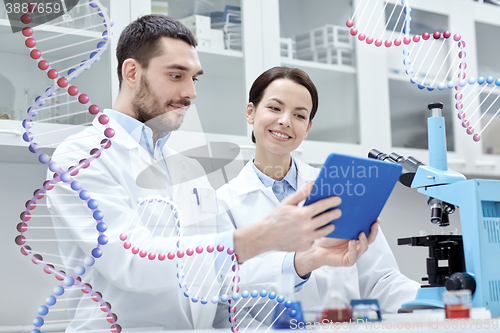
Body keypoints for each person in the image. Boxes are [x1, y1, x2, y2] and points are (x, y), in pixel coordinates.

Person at [46, 15, 377, 330]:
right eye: (176, 76)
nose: (191, 93)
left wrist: (303, 260)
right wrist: (260, 237)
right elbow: (130, 264)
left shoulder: (188, 167)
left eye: (194, 78)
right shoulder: (82, 156)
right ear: (132, 73)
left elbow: (225, 279)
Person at [216, 67, 421, 325]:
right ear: (251, 112)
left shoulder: (342, 186)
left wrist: (431, 301)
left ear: (308, 126)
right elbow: (224, 298)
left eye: (299, 115)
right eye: (275, 108)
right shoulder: (223, 203)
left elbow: (380, 280)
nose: (285, 121)